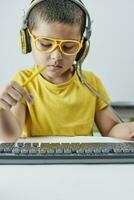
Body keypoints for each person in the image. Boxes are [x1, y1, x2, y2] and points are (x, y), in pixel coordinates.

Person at [0, 0, 133, 142]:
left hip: (81, 163)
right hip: (40, 163)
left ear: (82, 47)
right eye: (45, 44)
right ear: (26, 40)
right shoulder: (22, 82)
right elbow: (10, 136)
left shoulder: (91, 82)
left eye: (69, 46)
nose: (56, 56)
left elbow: (111, 129)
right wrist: (2, 108)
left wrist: (130, 129)